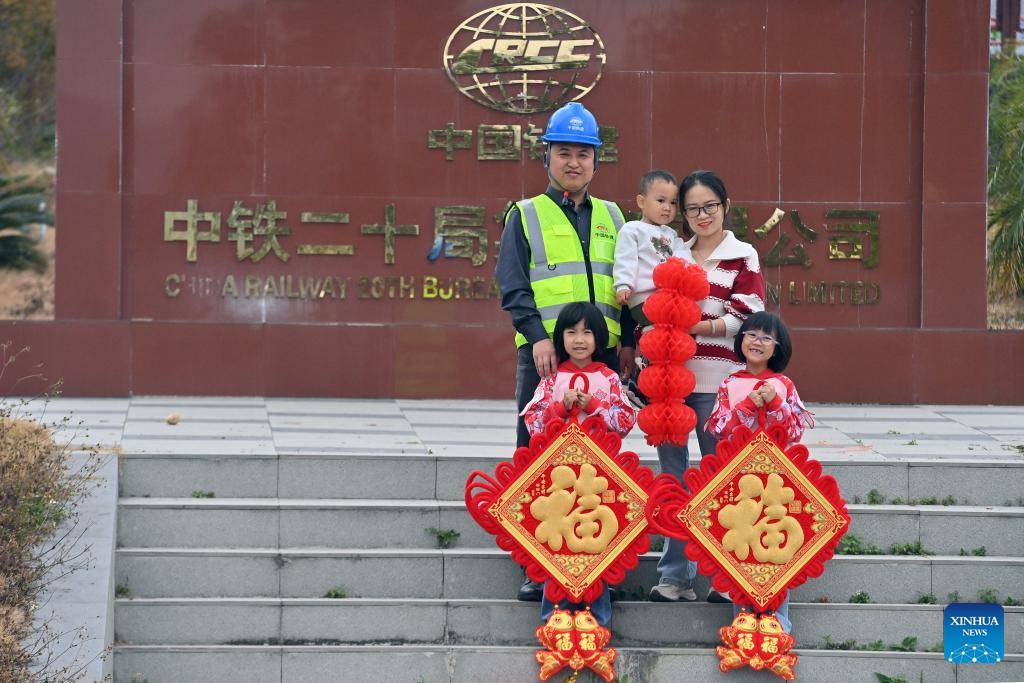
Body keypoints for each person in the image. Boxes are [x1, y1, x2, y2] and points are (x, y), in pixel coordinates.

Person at [496, 102, 635, 602]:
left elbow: (627, 284)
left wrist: (628, 343)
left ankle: (597, 557)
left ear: (596, 160)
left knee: (601, 457)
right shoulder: (525, 214)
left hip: (603, 361)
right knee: (536, 453)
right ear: (547, 157)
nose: (573, 162)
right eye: (564, 153)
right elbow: (513, 285)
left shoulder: (614, 216)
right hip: (545, 358)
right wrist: (537, 337)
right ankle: (535, 564)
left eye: (583, 154)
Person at [648, 169, 766, 603]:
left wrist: (694, 325)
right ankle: (675, 576)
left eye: (710, 206)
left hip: (720, 384)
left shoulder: (743, 255)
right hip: (670, 385)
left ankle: (725, 576)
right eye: (693, 208)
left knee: (721, 478)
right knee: (673, 479)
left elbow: (747, 314)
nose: (702, 215)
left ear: (725, 206)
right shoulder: (674, 254)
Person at [519, 302, 636, 627]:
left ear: (599, 338)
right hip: (558, 481)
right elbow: (533, 423)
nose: (579, 339)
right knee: (557, 545)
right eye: (571, 332)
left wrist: (595, 405)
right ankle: (554, 617)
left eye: (587, 332)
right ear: (561, 337)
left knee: (596, 543)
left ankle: (596, 619)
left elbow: (625, 421)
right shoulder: (551, 378)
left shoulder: (609, 378)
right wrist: (559, 409)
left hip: (598, 480)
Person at [703, 311, 813, 633]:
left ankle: (778, 623)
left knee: (778, 550)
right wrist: (747, 407)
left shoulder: (784, 385)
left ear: (777, 347)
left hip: (777, 482)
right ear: (741, 340)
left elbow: (795, 431)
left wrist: (776, 403)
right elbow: (718, 429)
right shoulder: (730, 383)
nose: (757, 342)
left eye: (766, 338)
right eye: (751, 335)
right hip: (740, 482)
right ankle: (742, 620)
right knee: (741, 549)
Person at [613, 170, 686, 328]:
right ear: (641, 201)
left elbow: (683, 258)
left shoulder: (671, 234)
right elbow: (625, 259)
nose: (667, 207)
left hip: (668, 296)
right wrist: (623, 285)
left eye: (673, 203)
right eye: (661, 200)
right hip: (644, 299)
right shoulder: (632, 229)